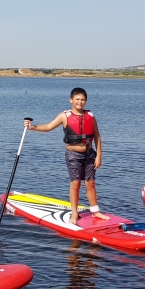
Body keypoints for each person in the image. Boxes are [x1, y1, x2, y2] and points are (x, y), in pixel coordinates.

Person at [25, 87, 109, 224]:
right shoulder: (65, 116)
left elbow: (97, 137)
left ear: (86, 101)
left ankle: (95, 211)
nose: (80, 102)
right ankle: (74, 214)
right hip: (73, 154)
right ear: (71, 100)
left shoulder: (91, 117)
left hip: (89, 154)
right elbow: (48, 127)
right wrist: (32, 127)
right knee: (75, 184)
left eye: (82, 100)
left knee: (90, 183)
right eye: (77, 99)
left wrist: (99, 155)